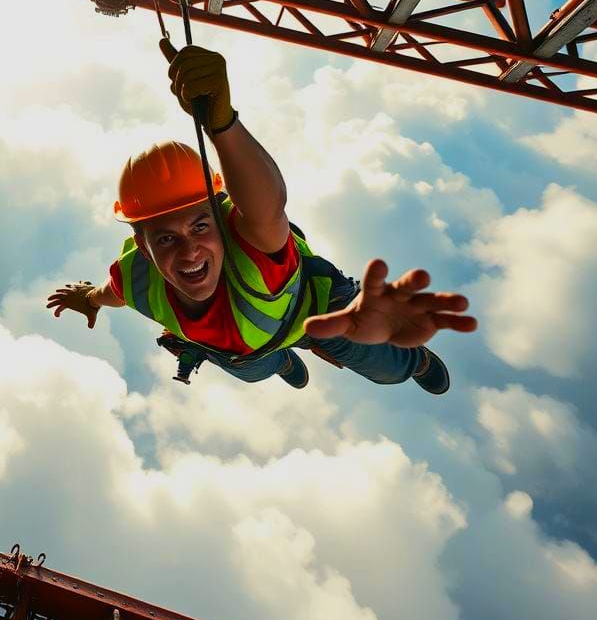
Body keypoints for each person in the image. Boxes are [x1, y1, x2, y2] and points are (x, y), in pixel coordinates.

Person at [47, 45, 477, 394]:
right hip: (248, 345)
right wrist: (88, 298)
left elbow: (267, 208)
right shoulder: (136, 276)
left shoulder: (250, 248)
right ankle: (281, 359)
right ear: (143, 247)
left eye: (200, 226)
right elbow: (113, 291)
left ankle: (414, 362)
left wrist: (223, 125)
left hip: (316, 309)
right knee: (252, 365)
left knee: (384, 365)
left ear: (223, 222)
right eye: (165, 239)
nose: (190, 249)